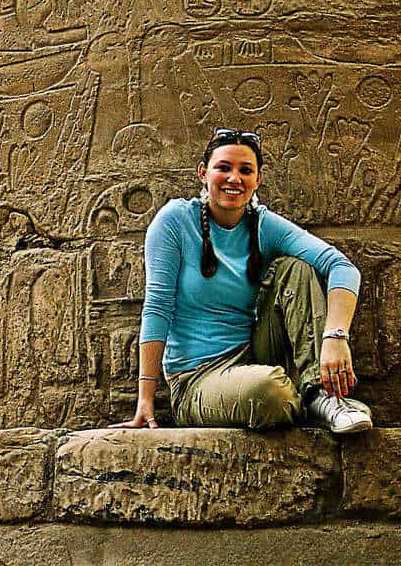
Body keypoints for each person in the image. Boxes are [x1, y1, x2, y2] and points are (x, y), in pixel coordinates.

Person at [112, 128, 373, 434]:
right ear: (203, 173)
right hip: (198, 379)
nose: (234, 178)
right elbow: (157, 307)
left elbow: (342, 266)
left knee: (296, 268)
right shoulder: (175, 221)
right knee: (270, 392)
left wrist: (335, 336)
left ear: (258, 179)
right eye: (223, 168)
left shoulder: (263, 224)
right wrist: (146, 399)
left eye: (245, 170)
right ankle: (309, 399)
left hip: (257, 356)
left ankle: (324, 396)